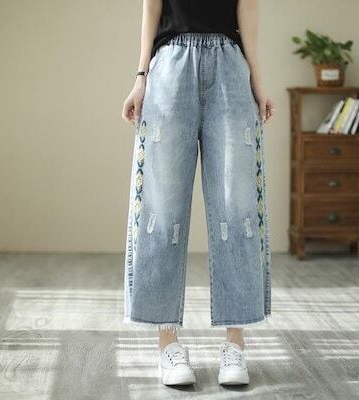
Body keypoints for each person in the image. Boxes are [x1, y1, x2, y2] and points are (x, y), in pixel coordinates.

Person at [122, 0, 274, 387]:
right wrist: (141, 76)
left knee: (237, 209)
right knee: (162, 210)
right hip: (170, 65)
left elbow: (247, 6)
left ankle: (235, 345)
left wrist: (257, 78)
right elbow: (152, 5)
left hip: (230, 66)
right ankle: (167, 345)